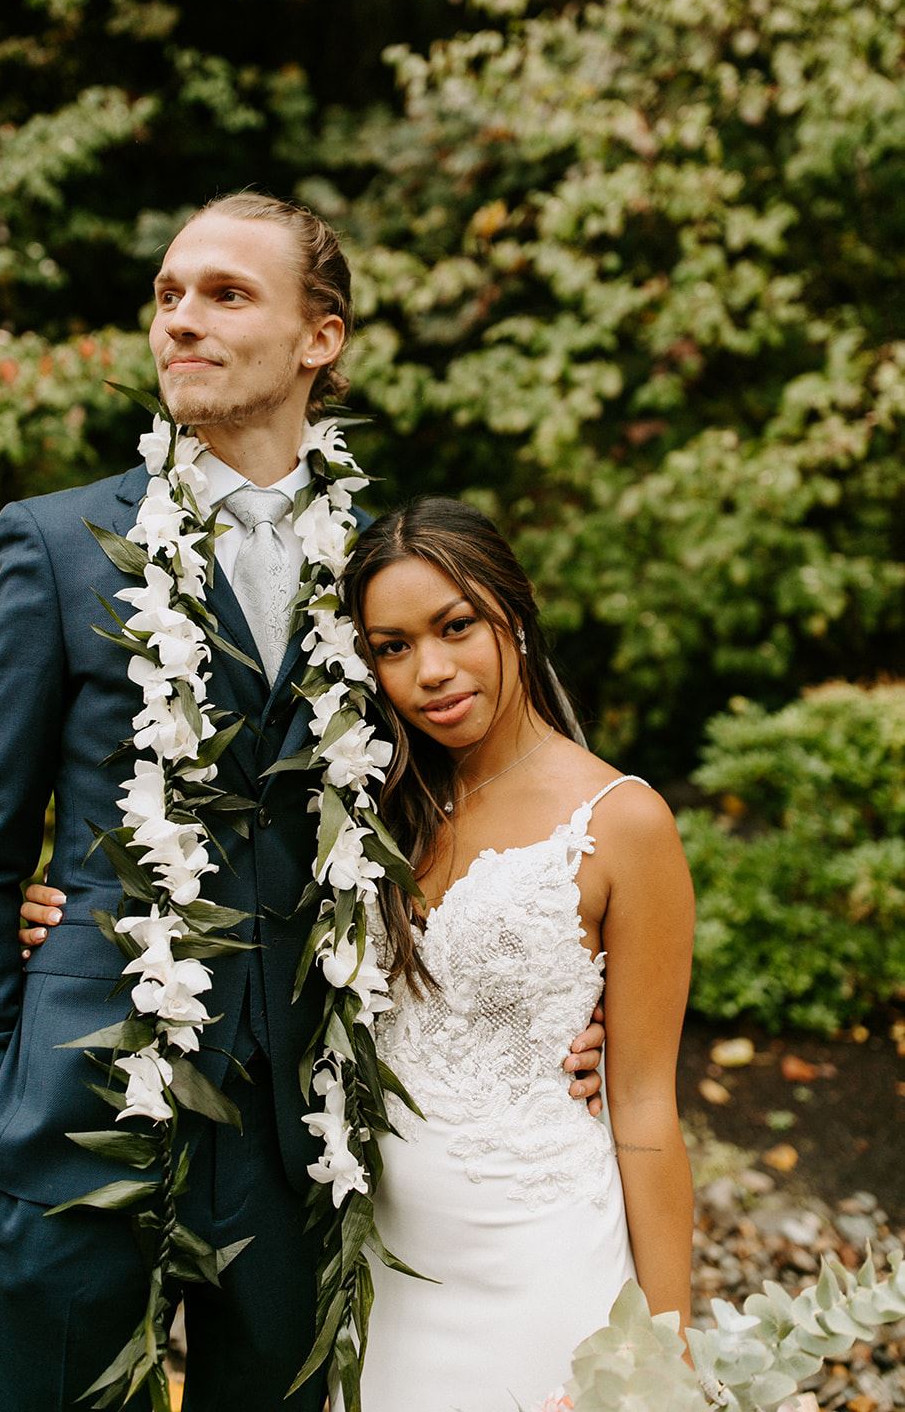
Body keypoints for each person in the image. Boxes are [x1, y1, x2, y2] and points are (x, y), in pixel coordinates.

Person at [0, 191, 607, 1412]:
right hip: (80, 1110)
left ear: (319, 338)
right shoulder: (58, 542)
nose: (181, 321)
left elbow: (483, 801)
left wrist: (562, 989)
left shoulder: (389, 564)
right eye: (168, 295)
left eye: (226, 294)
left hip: (312, 1137)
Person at [332, 496, 695, 1411]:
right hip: (383, 1276)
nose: (432, 671)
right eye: (393, 646)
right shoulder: (371, 809)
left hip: (540, 1266)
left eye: (457, 627)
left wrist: (662, 1351)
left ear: (514, 618)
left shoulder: (620, 822)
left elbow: (647, 1102)